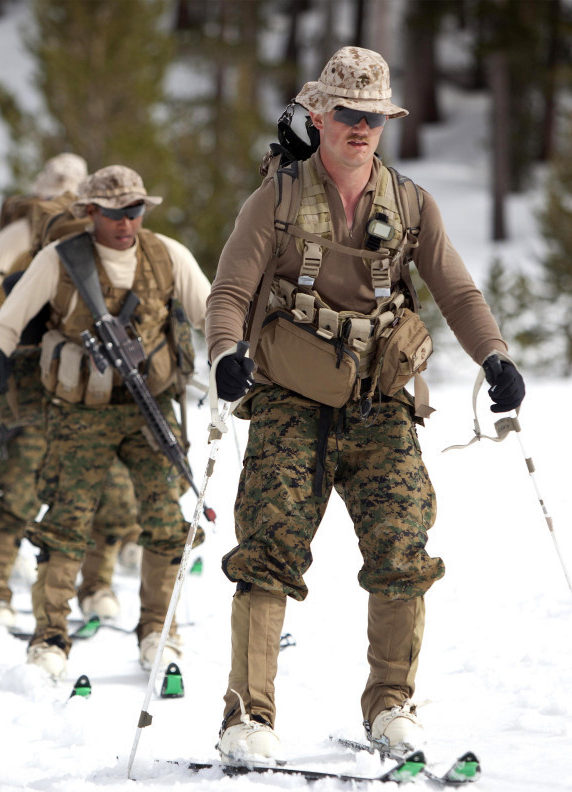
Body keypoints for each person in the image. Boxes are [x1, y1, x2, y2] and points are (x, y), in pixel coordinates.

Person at [205, 46, 525, 761]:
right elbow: (229, 292)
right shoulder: (278, 201)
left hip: (380, 403)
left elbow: (457, 291)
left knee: (403, 545)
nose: (361, 128)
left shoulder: (410, 203)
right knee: (268, 552)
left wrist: (494, 355)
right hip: (290, 400)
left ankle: (391, 705)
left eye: (374, 117)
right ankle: (247, 717)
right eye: (348, 114)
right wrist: (227, 351)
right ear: (318, 115)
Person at [0, 165, 211, 679]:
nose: (126, 223)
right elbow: (9, 321)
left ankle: (160, 631)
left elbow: (214, 314)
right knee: (66, 522)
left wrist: (231, 355)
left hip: (149, 408)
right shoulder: (59, 260)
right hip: (77, 411)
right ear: (90, 212)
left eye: (135, 211)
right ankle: (50, 636)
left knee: (164, 520)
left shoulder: (167, 256)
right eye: (114, 213)